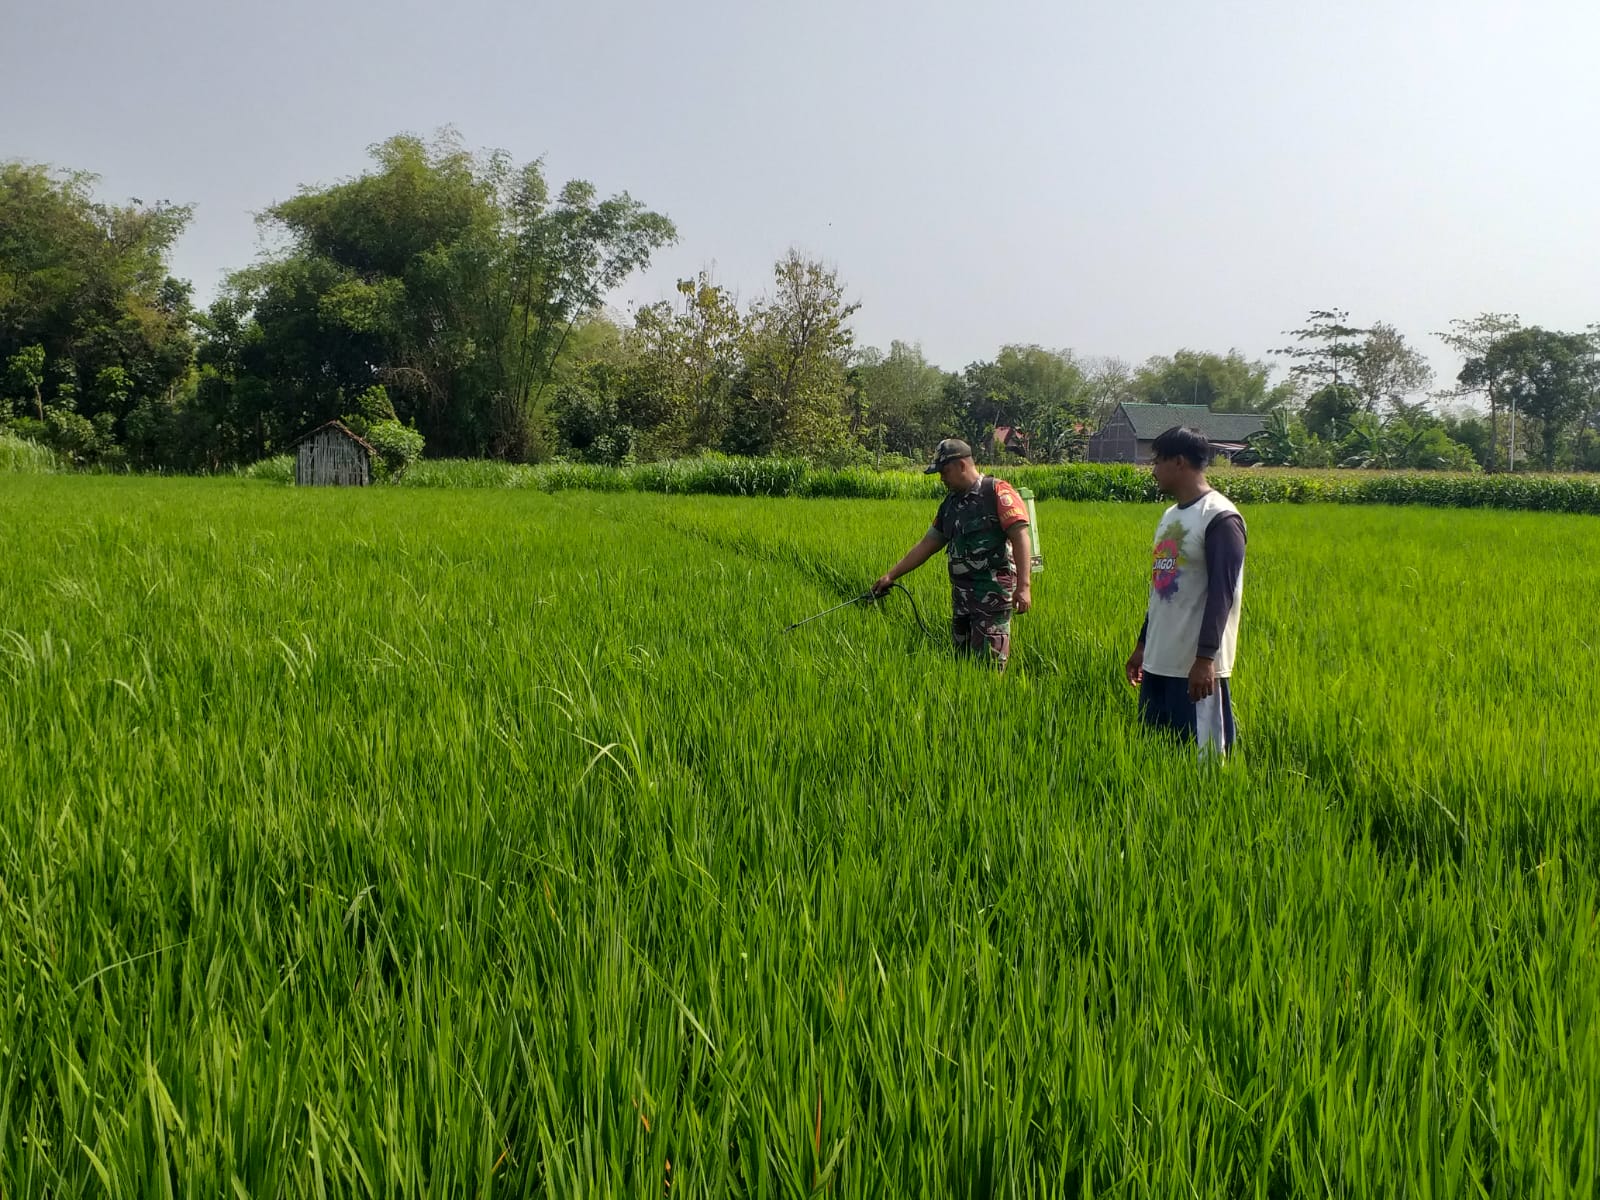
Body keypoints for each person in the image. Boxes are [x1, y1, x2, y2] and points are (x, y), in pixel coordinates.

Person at [1123, 426, 1247, 755]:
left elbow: (1223, 595)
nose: (1153, 471)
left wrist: (1205, 660)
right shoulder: (1169, 516)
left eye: (1157, 461)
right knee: (1156, 757)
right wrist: (1143, 645)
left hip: (1195, 670)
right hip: (1158, 661)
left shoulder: (1220, 518)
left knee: (1201, 762)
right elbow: (1161, 589)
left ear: (1179, 462)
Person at [873, 438, 1032, 670]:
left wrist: (1024, 587)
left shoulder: (996, 492)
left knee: (989, 669)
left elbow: (1020, 536)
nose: (942, 478)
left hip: (992, 599)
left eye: (944, 471)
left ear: (961, 465)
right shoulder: (950, 505)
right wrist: (891, 575)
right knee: (962, 667)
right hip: (962, 601)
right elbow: (928, 544)